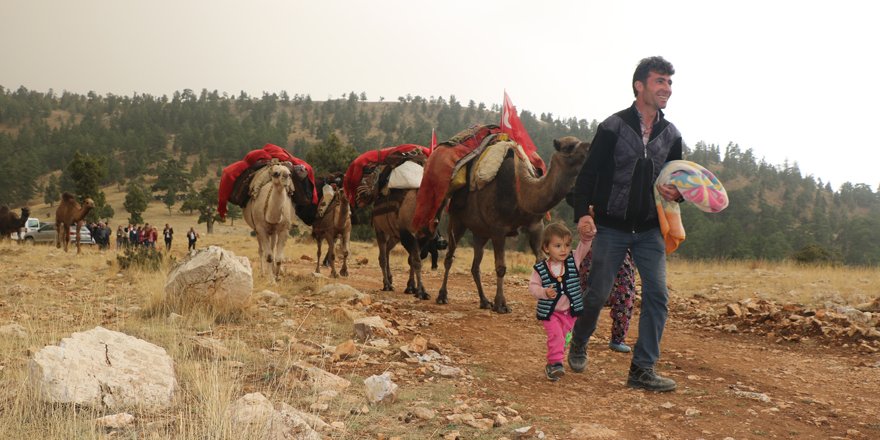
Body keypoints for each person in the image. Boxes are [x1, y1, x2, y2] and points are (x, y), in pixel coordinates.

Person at [566, 56, 683, 392]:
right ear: (640, 85)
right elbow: (588, 175)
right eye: (660, 81)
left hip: (649, 230)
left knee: (658, 296)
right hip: (612, 227)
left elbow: (677, 183)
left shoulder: (671, 134)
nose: (667, 89)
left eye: (670, 82)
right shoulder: (613, 127)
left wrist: (676, 194)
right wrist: (583, 215)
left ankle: (642, 369)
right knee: (597, 294)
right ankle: (579, 342)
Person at [529, 222, 594, 381]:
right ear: (546, 248)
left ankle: (554, 363)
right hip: (551, 313)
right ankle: (554, 364)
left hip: (570, 314)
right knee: (556, 336)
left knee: (564, 339)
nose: (564, 249)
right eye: (558, 246)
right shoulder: (541, 269)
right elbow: (533, 286)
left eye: (566, 245)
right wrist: (544, 292)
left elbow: (585, 245)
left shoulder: (574, 260)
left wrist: (587, 234)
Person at [578, 249, 636, 353]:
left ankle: (618, 339)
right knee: (587, 295)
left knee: (624, 296)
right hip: (596, 247)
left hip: (623, 251)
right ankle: (579, 337)